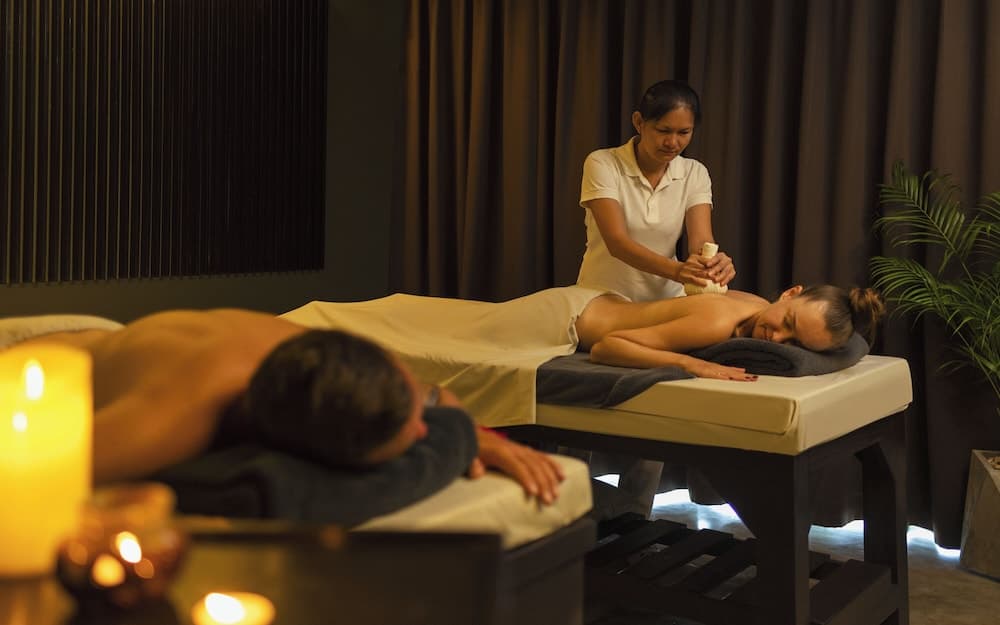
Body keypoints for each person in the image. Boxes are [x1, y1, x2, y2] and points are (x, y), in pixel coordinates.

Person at [11, 309, 565, 504]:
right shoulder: (164, 423)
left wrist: (474, 433)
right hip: (30, 363)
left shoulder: (347, 358)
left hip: (121, 338)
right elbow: (23, 487)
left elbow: (437, 397)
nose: (427, 433)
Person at [577, 79, 736, 299]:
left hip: (667, 298)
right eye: (663, 130)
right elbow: (617, 242)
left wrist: (712, 263)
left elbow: (701, 241)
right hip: (602, 297)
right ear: (639, 122)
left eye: (684, 132)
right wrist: (678, 271)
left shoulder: (694, 172)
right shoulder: (602, 163)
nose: (672, 142)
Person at [575, 284, 885, 375]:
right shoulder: (718, 323)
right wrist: (693, 365)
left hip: (596, 303)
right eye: (788, 323)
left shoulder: (759, 305)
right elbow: (606, 348)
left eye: (795, 344)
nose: (777, 339)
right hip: (567, 319)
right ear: (790, 293)